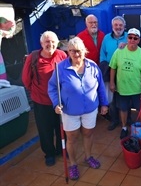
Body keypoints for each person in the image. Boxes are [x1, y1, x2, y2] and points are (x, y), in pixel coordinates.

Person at [48, 37, 109, 180]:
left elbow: (100, 87)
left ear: (84, 51)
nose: (76, 54)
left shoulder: (93, 66)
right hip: (70, 111)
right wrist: (57, 103)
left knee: (88, 134)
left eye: (79, 51)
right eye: (72, 51)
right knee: (72, 138)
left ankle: (89, 157)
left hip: (90, 109)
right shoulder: (60, 68)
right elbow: (52, 88)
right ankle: (73, 164)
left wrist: (104, 104)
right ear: (68, 52)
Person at [22, 31, 67, 166]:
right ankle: (49, 153)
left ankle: (61, 150)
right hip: (41, 101)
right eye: (47, 42)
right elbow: (26, 79)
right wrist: (37, 92)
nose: (50, 44)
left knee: (61, 127)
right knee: (45, 129)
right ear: (41, 44)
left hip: (59, 101)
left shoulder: (62, 55)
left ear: (57, 43)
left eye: (53, 41)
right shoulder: (33, 57)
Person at [109, 28, 141, 139]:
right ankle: (124, 128)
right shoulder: (119, 51)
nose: (132, 40)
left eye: (135, 38)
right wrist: (112, 83)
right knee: (123, 109)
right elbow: (113, 68)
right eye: (130, 37)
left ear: (139, 40)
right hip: (122, 88)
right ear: (127, 38)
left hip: (137, 89)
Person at [99, 16, 130, 131]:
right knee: (111, 97)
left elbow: (135, 47)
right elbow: (102, 54)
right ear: (112, 27)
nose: (118, 27)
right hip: (109, 70)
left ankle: (127, 119)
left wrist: (126, 45)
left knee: (125, 96)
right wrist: (104, 66)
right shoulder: (106, 38)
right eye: (116, 25)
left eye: (120, 25)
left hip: (125, 72)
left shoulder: (129, 37)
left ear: (124, 26)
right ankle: (114, 120)